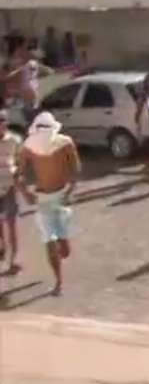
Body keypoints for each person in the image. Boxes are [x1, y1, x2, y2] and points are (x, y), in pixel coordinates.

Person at [18, 112, 80, 296]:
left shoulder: (65, 143)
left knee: (64, 248)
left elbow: (76, 169)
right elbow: (19, 173)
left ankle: (60, 258)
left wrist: (70, 191)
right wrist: (25, 192)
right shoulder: (29, 147)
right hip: (43, 198)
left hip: (61, 197)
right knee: (49, 240)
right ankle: (58, 282)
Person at [0, 111, 21, 274]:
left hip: (9, 187)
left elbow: (21, 162)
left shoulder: (14, 140)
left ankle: (14, 258)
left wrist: (17, 172)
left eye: (2, 121)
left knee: (12, 223)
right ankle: (2, 248)